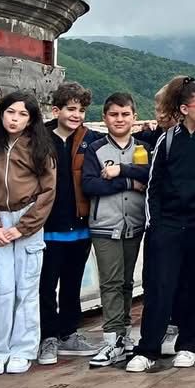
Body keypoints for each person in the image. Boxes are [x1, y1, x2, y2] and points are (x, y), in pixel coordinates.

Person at [125, 79, 195, 373]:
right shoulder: (167, 140)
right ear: (185, 109)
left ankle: (188, 345)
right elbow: (154, 186)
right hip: (168, 224)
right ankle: (147, 348)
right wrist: (155, 223)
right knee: (160, 286)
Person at [0, 92, 57, 375]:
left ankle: (23, 350)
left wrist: (23, 227)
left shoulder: (39, 150)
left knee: (27, 289)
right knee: (1, 289)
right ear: (1, 113)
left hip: (27, 219)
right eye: (10, 112)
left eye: (22, 114)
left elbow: (48, 192)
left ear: (31, 119)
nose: (15, 119)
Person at [81, 92, 155, 368]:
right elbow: (90, 185)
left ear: (134, 117)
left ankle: (123, 336)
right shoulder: (96, 149)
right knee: (110, 283)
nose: (120, 119)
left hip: (135, 224)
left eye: (125, 114)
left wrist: (120, 171)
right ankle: (111, 338)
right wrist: (127, 183)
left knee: (127, 283)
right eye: (114, 114)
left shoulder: (144, 149)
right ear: (105, 118)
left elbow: (151, 176)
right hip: (105, 225)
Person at [38, 82, 95, 366]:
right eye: (71, 109)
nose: (76, 115)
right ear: (56, 110)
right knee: (46, 284)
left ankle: (69, 332)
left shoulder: (91, 140)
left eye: (81, 110)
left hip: (81, 225)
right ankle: (47, 336)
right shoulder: (39, 138)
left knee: (72, 283)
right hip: (48, 226)